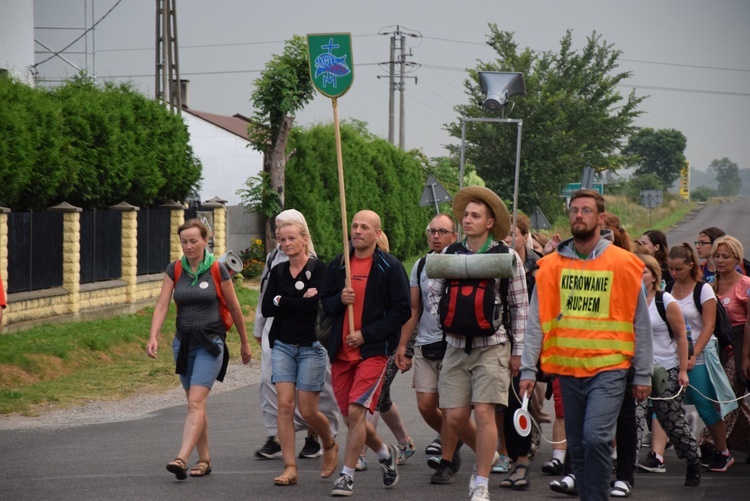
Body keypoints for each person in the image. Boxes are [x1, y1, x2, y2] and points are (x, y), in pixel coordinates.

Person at [520, 189, 653, 501]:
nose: (579, 215)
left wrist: (644, 373)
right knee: (578, 447)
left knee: (595, 439)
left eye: (586, 210)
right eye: (574, 210)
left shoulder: (623, 263)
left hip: (609, 368)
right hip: (567, 370)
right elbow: (535, 322)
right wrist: (527, 368)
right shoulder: (551, 266)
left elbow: (640, 323)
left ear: (601, 218)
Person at [426, 186, 529, 501]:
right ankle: (489, 455)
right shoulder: (449, 255)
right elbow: (433, 293)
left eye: (475, 216)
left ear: (489, 222)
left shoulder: (506, 257)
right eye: (465, 215)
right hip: (456, 345)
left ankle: (481, 481)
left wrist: (519, 354)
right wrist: (449, 317)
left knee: (484, 412)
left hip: (493, 345)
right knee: (454, 417)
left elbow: (520, 308)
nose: (467, 220)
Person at [146, 218, 252, 480]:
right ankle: (204, 459)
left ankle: (181, 458)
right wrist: (154, 335)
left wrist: (245, 342)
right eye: (184, 241)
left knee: (195, 401)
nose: (189, 246)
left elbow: (235, 308)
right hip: (183, 343)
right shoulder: (175, 269)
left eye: (194, 241)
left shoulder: (217, 269)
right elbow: (162, 305)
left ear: (206, 240)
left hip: (210, 344)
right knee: (196, 404)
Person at [320, 210, 411, 497]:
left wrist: (366, 334)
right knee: (350, 418)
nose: (357, 231)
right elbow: (324, 303)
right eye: (355, 226)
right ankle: (385, 453)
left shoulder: (389, 267)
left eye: (364, 227)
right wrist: (339, 299)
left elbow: (402, 311)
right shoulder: (339, 265)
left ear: (376, 233)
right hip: (341, 352)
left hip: (373, 351)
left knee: (358, 411)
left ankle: (346, 476)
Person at [253, 210, 340, 461]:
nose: (284, 241)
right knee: (279, 399)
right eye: (281, 237)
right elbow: (266, 304)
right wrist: (260, 328)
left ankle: (321, 438)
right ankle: (285, 458)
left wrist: (284, 300)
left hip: (311, 343)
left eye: (290, 236)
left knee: (310, 404)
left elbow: (315, 306)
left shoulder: (318, 267)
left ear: (304, 237)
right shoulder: (275, 265)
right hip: (280, 340)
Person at [395, 214, 462, 485]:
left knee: (449, 406)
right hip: (425, 343)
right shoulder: (420, 264)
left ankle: (447, 462)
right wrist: (403, 346)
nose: (435, 236)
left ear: (453, 237)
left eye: (442, 231)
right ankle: (454, 438)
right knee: (425, 405)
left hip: (454, 343)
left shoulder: (460, 262)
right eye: (431, 231)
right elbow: (414, 308)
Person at [666, 243, 738, 472]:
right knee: (663, 406)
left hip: (699, 354)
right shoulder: (668, 288)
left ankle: (723, 452)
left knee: (705, 406)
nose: (674, 273)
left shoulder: (703, 290)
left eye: (678, 269)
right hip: (672, 354)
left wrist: (693, 353)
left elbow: (709, 326)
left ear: (690, 266)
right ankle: (669, 450)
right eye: (670, 269)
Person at [634, 253, 702, 487]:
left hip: (667, 368)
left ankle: (693, 459)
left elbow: (682, 336)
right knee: (632, 418)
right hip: (638, 368)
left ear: (653, 276)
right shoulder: (628, 300)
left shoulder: (666, 302)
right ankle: (626, 470)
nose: (638, 275)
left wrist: (683, 370)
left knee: (670, 419)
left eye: (643, 271)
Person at [357, 231, 416, 470]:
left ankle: (359, 452)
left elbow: (408, 313)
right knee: (382, 400)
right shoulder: (359, 273)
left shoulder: (392, 272)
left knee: (371, 399)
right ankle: (405, 442)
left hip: (390, 347)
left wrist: (406, 349)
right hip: (368, 345)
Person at [706, 236, 750, 462]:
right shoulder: (710, 286)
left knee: (728, 396)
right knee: (731, 400)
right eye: (717, 256)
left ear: (737, 259)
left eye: (726, 256)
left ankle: (709, 442)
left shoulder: (746, 285)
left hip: (742, 344)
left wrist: (745, 357)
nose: (720, 261)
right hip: (718, 347)